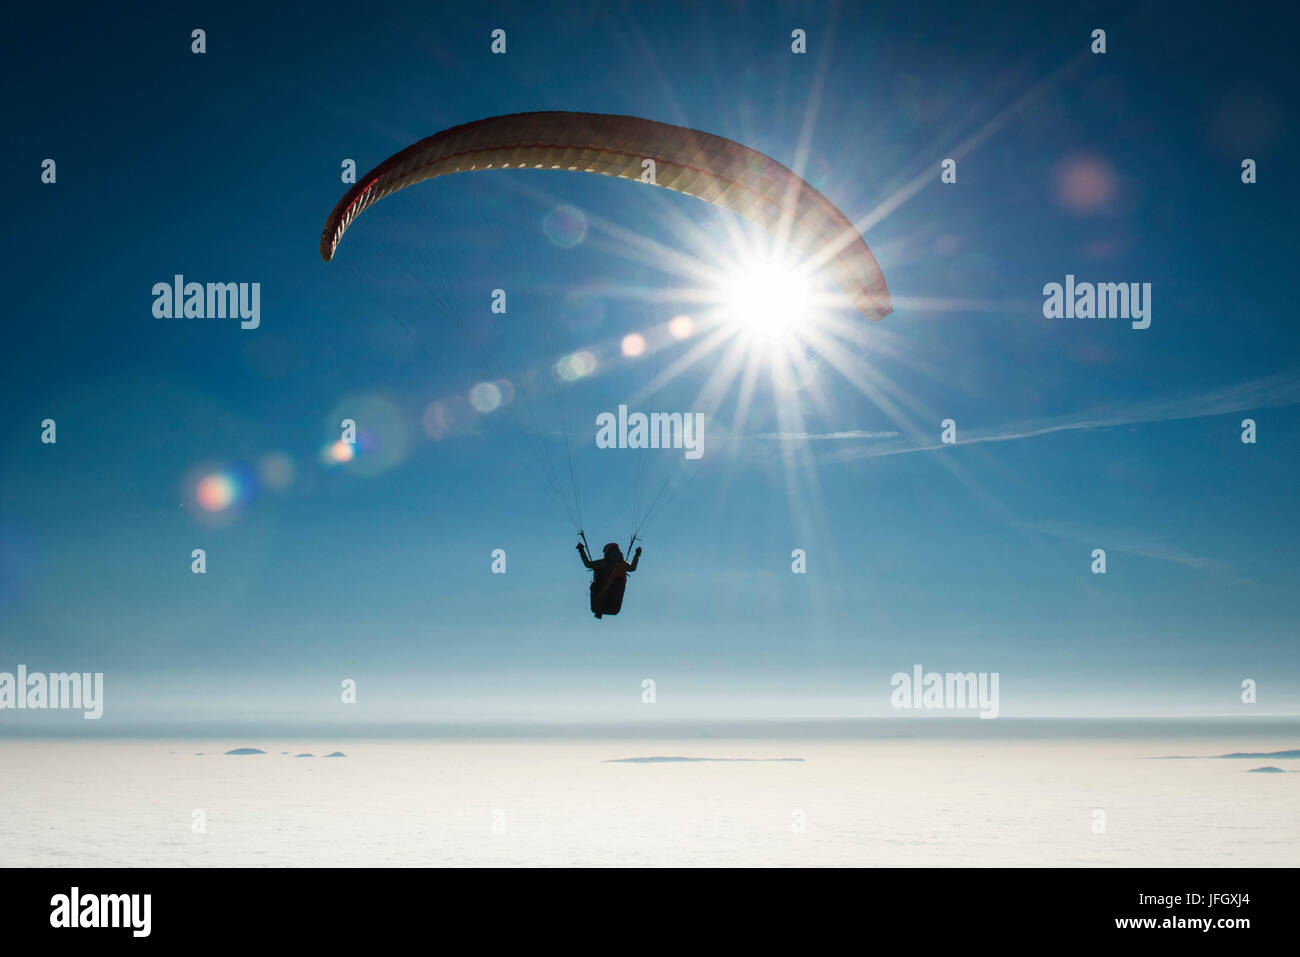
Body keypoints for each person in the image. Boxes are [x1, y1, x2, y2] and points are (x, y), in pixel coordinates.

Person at [577, 541, 641, 618]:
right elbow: (632, 568)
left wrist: (581, 550)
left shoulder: (603, 563)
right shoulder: (623, 565)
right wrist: (637, 555)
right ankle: (601, 607)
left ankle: (600, 609)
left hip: (600, 603)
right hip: (614, 607)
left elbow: (588, 564)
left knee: (595, 586)